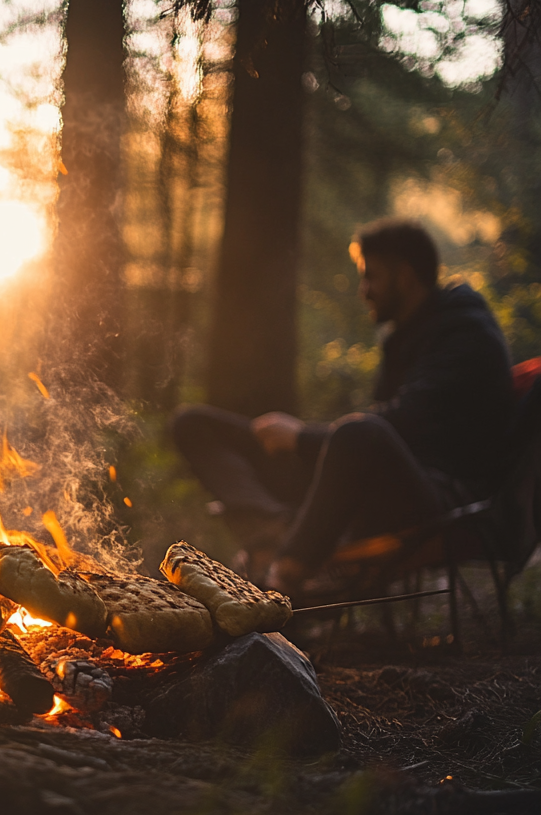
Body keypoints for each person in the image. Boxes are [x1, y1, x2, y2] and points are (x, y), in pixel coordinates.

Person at [172, 219, 514, 595]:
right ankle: (274, 527)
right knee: (194, 424)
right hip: (373, 486)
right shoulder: (408, 334)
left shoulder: (465, 335)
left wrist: (302, 437)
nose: (364, 291)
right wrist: (305, 440)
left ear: (405, 276)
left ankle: (281, 577)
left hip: (441, 500)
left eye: (371, 277)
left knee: (356, 433)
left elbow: (397, 426)